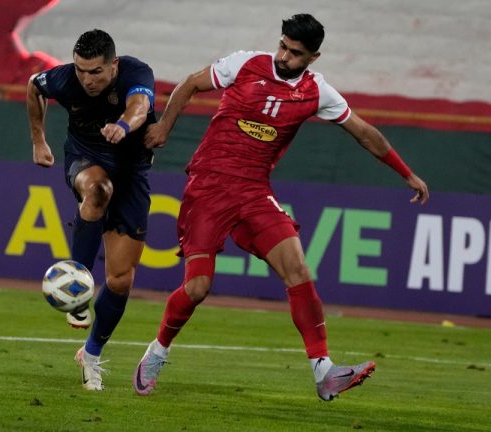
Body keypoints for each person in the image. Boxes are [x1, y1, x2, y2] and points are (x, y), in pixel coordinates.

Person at [132, 14, 429, 401]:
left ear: (314, 56)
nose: (284, 57)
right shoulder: (245, 63)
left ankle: (323, 370)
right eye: (283, 46)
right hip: (209, 185)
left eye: (296, 53)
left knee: (298, 268)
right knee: (199, 287)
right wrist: (164, 128)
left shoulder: (317, 92)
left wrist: (406, 174)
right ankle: (156, 353)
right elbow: (190, 84)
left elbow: (364, 133)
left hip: (255, 191)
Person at [26, 29, 157, 391]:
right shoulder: (65, 79)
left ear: (113, 65)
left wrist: (123, 125)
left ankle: (92, 353)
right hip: (86, 159)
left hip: (132, 175)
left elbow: (140, 108)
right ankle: (77, 285)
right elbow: (35, 86)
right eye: (82, 70)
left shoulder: (135, 73)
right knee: (98, 190)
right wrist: (39, 140)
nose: (87, 79)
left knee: (120, 280)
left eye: (96, 72)